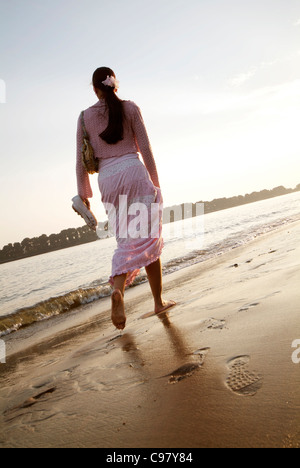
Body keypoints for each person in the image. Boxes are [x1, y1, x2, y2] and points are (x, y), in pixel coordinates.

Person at [76, 67, 175, 330]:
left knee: (125, 242)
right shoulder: (130, 108)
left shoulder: (84, 117)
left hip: (108, 180)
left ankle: (118, 290)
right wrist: (156, 184)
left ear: (96, 89)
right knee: (149, 238)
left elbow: (79, 160)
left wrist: (84, 195)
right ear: (115, 85)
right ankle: (158, 302)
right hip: (134, 171)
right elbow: (146, 148)